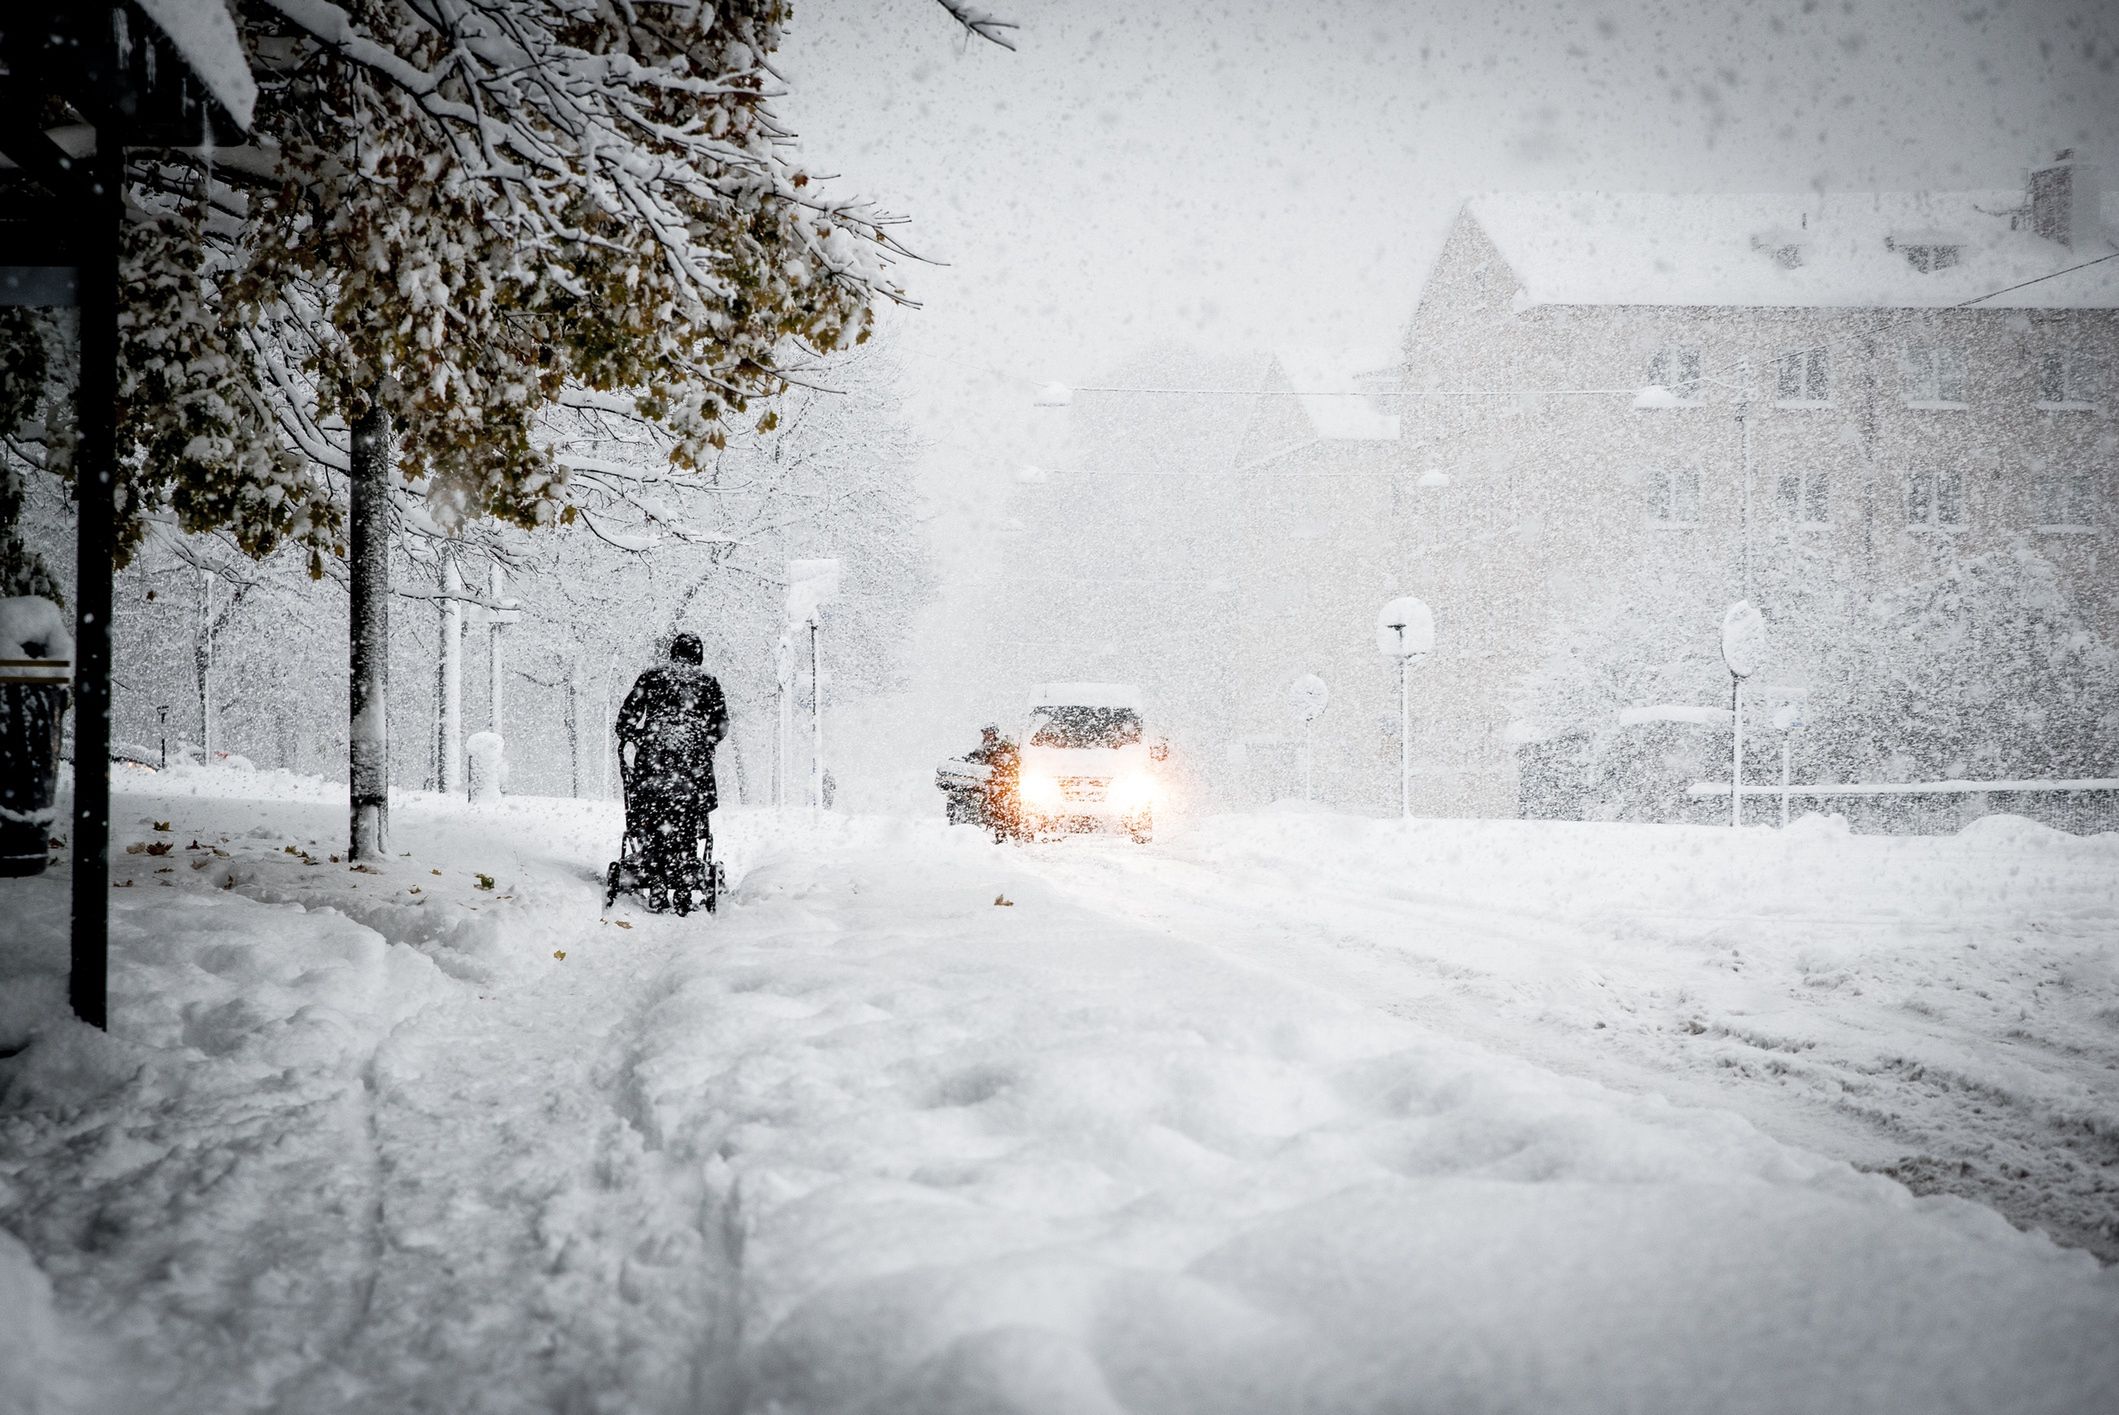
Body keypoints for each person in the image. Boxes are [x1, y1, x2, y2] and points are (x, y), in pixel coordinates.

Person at [615, 632, 728, 908]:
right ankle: (685, 876)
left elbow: (625, 721)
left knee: (653, 817)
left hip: (652, 769)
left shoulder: (651, 677)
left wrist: (643, 737)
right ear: (698, 655)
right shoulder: (707, 681)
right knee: (687, 819)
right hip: (692, 772)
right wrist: (702, 742)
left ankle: (654, 873)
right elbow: (720, 725)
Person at [964, 723, 1020, 841]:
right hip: (994, 784)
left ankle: (1013, 834)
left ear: (994, 733)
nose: (987, 735)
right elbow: (975, 756)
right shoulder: (984, 747)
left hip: (1006, 783)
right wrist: (966, 760)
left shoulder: (1002, 745)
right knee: (996, 809)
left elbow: (1011, 758)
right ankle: (1000, 834)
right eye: (985, 733)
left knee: (1008, 809)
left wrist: (1001, 766)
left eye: (989, 733)